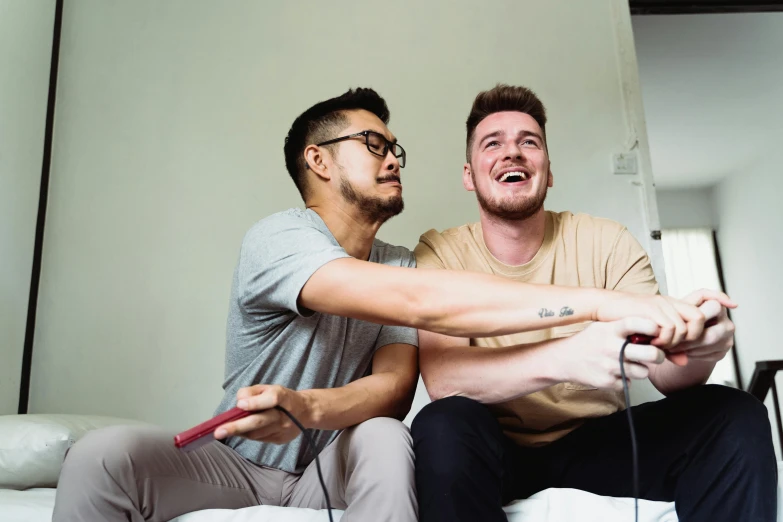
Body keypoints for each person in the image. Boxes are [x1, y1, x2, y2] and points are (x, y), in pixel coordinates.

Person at [54, 87, 710, 522]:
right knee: (101, 455)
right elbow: (420, 300)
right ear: (318, 160)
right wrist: (599, 306)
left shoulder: (399, 258)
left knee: (387, 434)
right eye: (373, 144)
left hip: (330, 466)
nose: (393, 156)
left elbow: (396, 386)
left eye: (395, 147)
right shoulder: (279, 236)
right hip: (238, 462)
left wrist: (309, 407)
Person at [411, 84, 778, 522]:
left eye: (529, 142)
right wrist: (568, 358)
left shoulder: (606, 242)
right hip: (494, 450)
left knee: (737, 413)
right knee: (440, 424)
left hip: (598, 441)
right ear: (470, 174)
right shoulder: (439, 252)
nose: (513, 153)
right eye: (494, 144)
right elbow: (444, 378)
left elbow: (664, 371)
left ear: (548, 171)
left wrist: (700, 350)